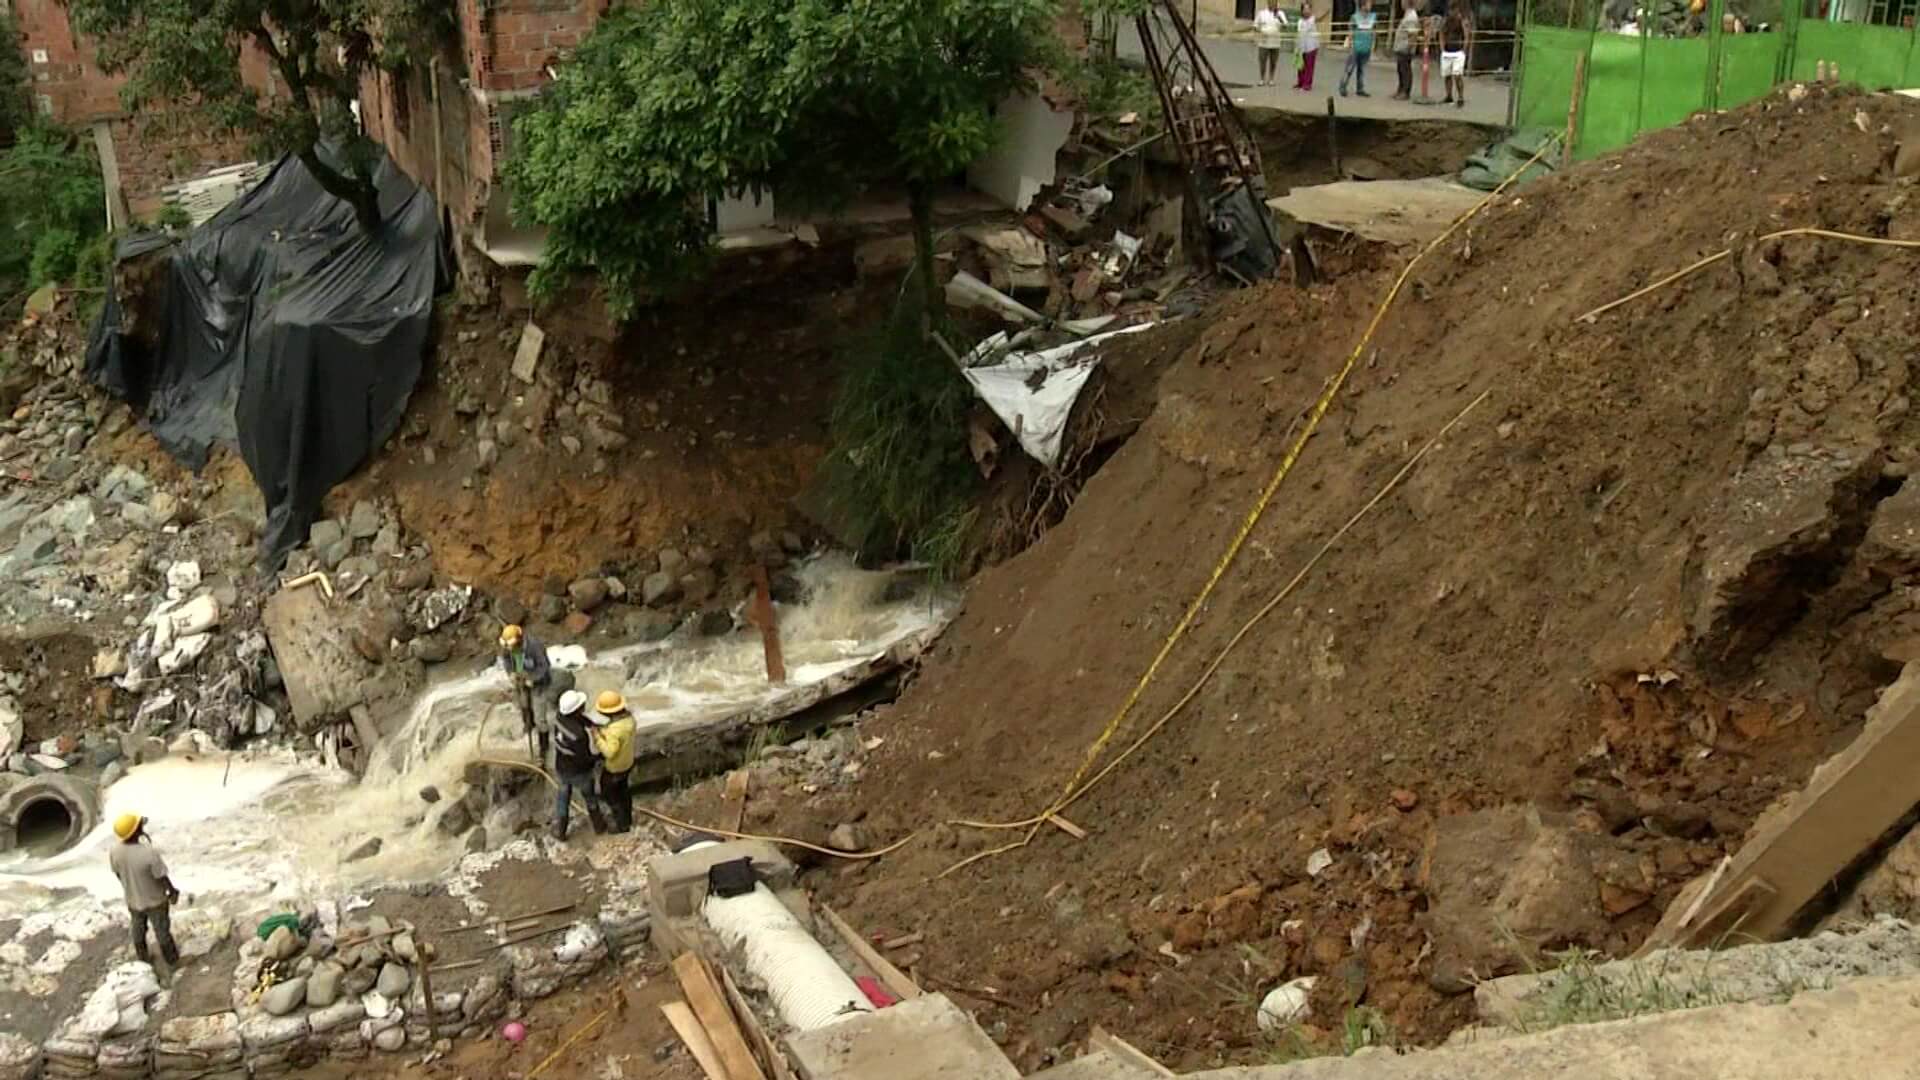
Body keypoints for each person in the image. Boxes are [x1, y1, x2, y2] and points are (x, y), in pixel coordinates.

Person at [108, 813, 180, 972]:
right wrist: (172, 891)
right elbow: (161, 876)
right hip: (156, 901)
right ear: (136, 831)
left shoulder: (114, 851)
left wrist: (132, 888)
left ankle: (143, 961)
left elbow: (118, 874)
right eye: (140, 825)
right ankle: (172, 962)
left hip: (133, 901)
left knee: (138, 930)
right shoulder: (148, 852)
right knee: (162, 932)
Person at [550, 690, 611, 841]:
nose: (584, 706)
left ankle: (560, 831)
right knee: (590, 797)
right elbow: (583, 759)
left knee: (563, 797)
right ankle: (599, 825)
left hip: (561, 767)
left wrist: (592, 724)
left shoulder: (559, 718)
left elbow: (578, 719)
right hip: (579, 773)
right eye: (581, 706)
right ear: (576, 710)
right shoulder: (579, 736)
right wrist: (600, 757)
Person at [497, 624, 554, 761]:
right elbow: (506, 659)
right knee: (524, 705)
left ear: (520, 639)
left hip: (538, 682)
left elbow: (544, 666)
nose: (509, 649)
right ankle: (528, 725)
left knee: (540, 717)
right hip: (521, 678)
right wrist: (511, 673)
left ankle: (543, 746)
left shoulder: (534, 646)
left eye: (512, 646)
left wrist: (533, 679)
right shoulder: (508, 647)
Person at [589, 690, 638, 834]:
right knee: (624, 792)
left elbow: (610, 752)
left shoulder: (614, 731)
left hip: (614, 768)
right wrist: (604, 731)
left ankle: (621, 825)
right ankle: (627, 819)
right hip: (627, 763)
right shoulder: (629, 720)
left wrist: (597, 737)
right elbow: (620, 737)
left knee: (611, 795)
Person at [1340, 0, 1378, 97]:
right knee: (1349, 68)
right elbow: (1351, 31)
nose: (1370, 5)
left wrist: (1373, 47)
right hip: (1356, 46)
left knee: (1362, 69)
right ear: (1363, 5)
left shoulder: (1373, 17)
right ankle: (1343, 86)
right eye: (1368, 3)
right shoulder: (1355, 17)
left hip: (1366, 46)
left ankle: (1360, 89)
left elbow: (1374, 32)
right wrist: (1350, 44)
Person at [1439, 8, 1468, 108]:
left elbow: (1466, 35)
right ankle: (1449, 95)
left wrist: (1464, 49)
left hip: (1458, 51)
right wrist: (1442, 48)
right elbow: (1441, 33)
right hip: (1447, 51)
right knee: (1447, 75)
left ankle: (1460, 97)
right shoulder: (1446, 21)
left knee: (1457, 75)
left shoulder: (1461, 21)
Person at [1255, 1, 1289, 86]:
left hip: (1275, 42)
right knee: (1262, 60)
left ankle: (1271, 79)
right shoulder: (1262, 13)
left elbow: (1285, 26)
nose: (1272, 4)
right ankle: (1262, 79)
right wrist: (1261, 31)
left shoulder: (1280, 13)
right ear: (1268, 2)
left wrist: (1279, 18)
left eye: (1274, 2)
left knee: (1273, 61)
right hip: (1263, 41)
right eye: (1271, 2)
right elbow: (1255, 25)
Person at [1392, 0, 1420, 100]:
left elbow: (1413, 34)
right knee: (1400, 70)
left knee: (1405, 70)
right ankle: (1400, 89)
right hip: (1401, 47)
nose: (1401, 3)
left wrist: (1409, 48)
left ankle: (1405, 92)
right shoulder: (1407, 14)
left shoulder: (1411, 16)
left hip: (1405, 48)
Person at [1293, 1, 1320, 91]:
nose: (1307, 11)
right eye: (1305, 9)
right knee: (1300, 65)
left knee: (1309, 66)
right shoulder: (1300, 21)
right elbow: (1299, 33)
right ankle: (1300, 82)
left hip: (1311, 46)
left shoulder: (1312, 19)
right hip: (1301, 46)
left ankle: (1307, 84)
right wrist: (1297, 46)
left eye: (1308, 9)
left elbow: (1320, 17)